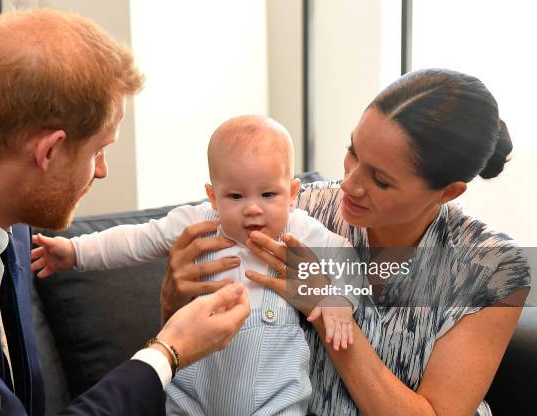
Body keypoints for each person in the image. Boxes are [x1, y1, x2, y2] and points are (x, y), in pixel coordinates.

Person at [0, 9, 250, 416]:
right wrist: (169, 351)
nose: (101, 170)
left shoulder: (12, 214)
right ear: (49, 151)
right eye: (99, 150)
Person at [161, 69, 532, 415]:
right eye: (352, 152)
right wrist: (173, 301)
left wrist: (327, 312)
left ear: (448, 192)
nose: (350, 184)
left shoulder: (493, 268)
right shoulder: (297, 212)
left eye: (381, 180)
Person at [30, 114, 361, 415]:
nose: (253, 209)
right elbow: (137, 240)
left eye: (268, 195)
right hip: (194, 398)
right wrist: (74, 252)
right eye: (235, 196)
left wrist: (338, 300)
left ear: (291, 193)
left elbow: (346, 256)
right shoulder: (197, 222)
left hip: (275, 402)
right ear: (213, 196)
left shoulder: (299, 230)